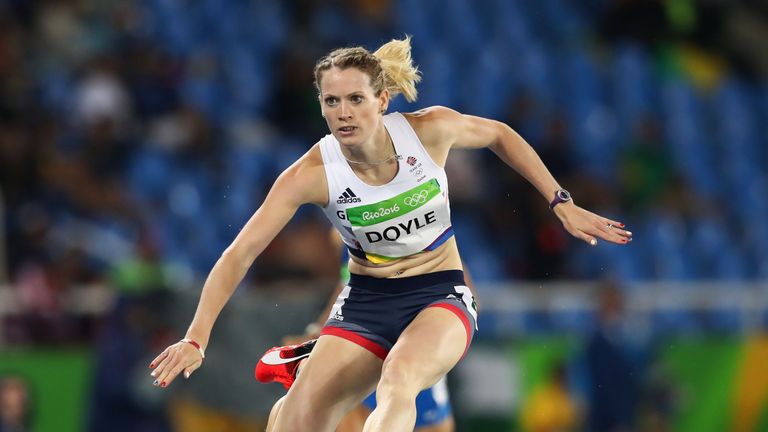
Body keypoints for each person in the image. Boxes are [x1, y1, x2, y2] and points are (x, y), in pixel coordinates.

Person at [148, 36, 632, 432]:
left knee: (400, 381)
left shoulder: (429, 132)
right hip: (366, 303)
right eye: (331, 101)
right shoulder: (311, 174)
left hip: (439, 294)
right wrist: (196, 338)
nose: (344, 112)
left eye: (355, 99)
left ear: (381, 100)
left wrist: (560, 201)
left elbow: (501, 134)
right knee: (295, 419)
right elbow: (240, 254)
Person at [257, 234, 467, 432]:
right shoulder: (345, 232)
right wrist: (317, 332)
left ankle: (307, 365)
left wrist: (441, 328)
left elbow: (461, 287)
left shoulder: (417, 228)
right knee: (331, 412)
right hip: (370, 340)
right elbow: (348, 286)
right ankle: (308, 365)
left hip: (412, 342)